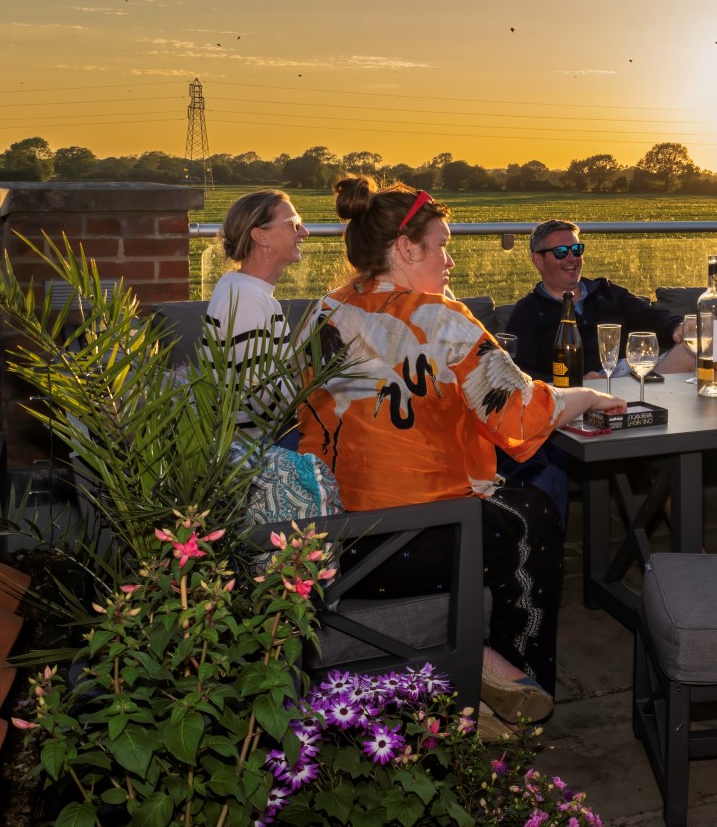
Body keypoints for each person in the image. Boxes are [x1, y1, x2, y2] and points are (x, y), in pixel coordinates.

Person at [297, 178, 624, 733]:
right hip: (406, 542)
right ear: (405, 250)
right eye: (441, 245)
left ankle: (481, 671)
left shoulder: (322, 313)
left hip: (329, 538)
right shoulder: (440, 320)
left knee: (511, 507)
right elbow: (522, 413)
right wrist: (587, 397)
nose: (450, 260)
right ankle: (520, 687)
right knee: (531, 518)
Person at [504, 219, 693, 382]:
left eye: (577, 250)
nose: (572, 258)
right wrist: (577, 382)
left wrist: (678, 326)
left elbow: (650, 316)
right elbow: (519, 373)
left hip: (637, 375)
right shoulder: (528, 311)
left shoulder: (606, 291)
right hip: (581, 392)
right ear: (538, 261)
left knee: (696, 345)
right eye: (561, 252)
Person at [205, 189, 311, 449]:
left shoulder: (241, 288)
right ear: (260, 236)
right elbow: (265, 405)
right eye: (294, 224)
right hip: (259, 450)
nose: (304, 232)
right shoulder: (246, 299)